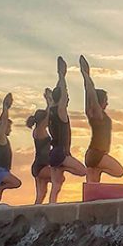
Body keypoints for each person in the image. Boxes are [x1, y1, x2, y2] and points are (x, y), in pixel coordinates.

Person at [47, 56, 88, 203]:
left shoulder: (51, 109)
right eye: (66, 97)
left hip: (53, 155)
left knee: (56, 185)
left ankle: (51, 206)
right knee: (84, 171)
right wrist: (62, 75)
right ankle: (64, 166)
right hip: (61, 153)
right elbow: (62, 93)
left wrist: (60, 77)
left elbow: (58, 93)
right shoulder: (60, 112)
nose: (68, 98)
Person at [79, 55, 123, 183]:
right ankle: (98, 168)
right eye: (106, 101)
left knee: (93, 187)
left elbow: (88, 94)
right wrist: (86, 75)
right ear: (100, 102)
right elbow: (90, 91)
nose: (107, 104)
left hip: (93, 155)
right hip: (97, 155)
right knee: (119, 171)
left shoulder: (92, 114)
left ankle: (96, 170)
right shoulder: (97, 114)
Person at [0, 93, 22, 207]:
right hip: (0, 171)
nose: (10, 130)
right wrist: (5, 107)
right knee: (17, 183)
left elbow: (1, 122)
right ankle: (1, 186)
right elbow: (3, 121)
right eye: (9, 127)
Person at [27, 88, 55, 204]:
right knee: (58, 178)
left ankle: (34, 213)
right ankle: (53, 204)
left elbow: (46, 116)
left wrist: (48, 103)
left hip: (39, 166)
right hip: (41, 166)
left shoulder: (39, 129)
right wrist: (49, 101)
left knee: (41, 194)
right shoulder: (39, 130)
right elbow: (47, 116)